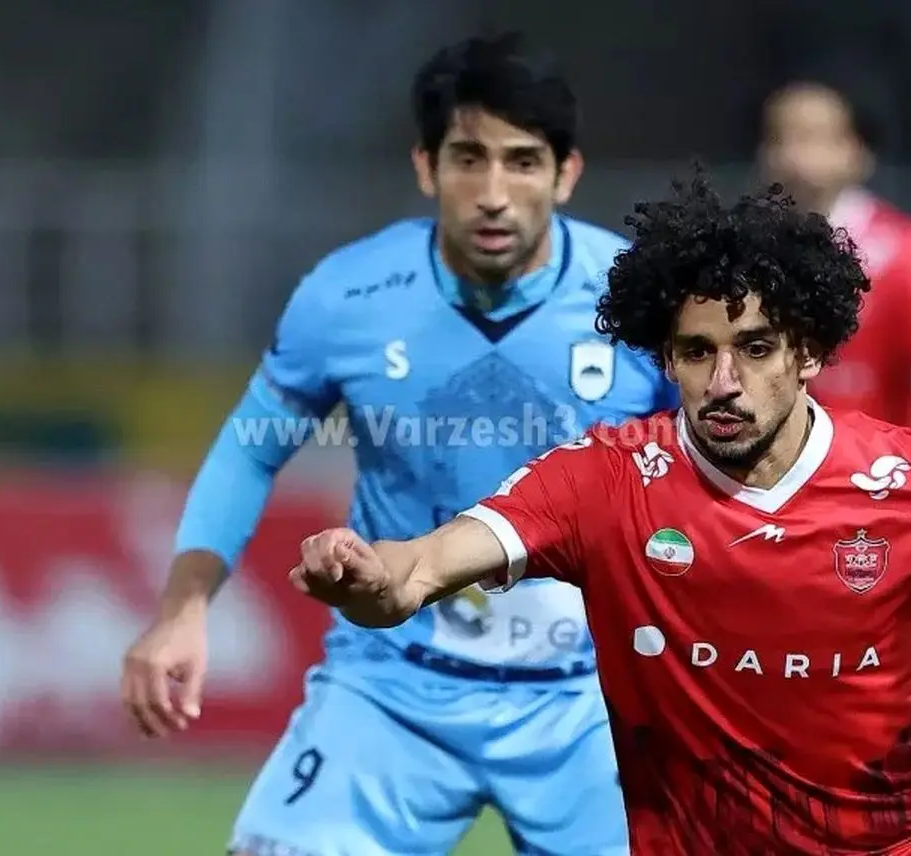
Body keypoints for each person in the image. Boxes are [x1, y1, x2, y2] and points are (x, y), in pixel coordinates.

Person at [289, 169, 911, 855]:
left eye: (754, 348)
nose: (723, 381)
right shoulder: (604, 480)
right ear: (667, 359)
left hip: (906, 842)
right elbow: (418, 570)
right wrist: (367, 577)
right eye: (696, 352)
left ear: (808, 354)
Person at [120, 31, 677, 856]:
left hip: (596, 703)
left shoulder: (643, 303)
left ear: (566, 173)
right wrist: (183, 610)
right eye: (468, 159)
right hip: (392, 688)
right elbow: (251, 448)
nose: (494, 194)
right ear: (426, 166)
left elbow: (722, 477)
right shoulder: (348, 297)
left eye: (523, 162)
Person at [758, 65, 911, 665]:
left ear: (857, 152)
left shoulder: (910, 256)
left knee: (882, 718)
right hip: (761, 529)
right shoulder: (740, 257)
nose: (796, 155)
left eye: (816, 136)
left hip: (880, 532)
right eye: (782, 136)